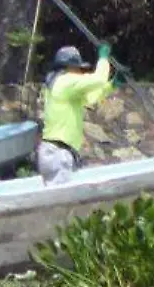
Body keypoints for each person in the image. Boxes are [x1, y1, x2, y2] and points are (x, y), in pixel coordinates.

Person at [37, 43, 121, 185]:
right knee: (61, 201)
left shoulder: (58, 85)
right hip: (58, 153)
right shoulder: (66, 81)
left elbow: (90, 98)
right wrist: (103, 58)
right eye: (78, 68)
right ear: (70, 67)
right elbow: (98, 79)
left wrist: (111, 86)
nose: (80, 72)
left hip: (51, 151)